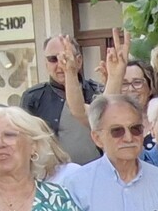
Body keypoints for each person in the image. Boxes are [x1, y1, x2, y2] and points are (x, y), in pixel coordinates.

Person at [21, 33, 101, 165]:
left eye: (65, 57)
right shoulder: (33, 98)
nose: (60, 65)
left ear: (79, 60)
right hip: (50, 177)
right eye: (53, 59)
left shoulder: (97, 93)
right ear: (46, 64)